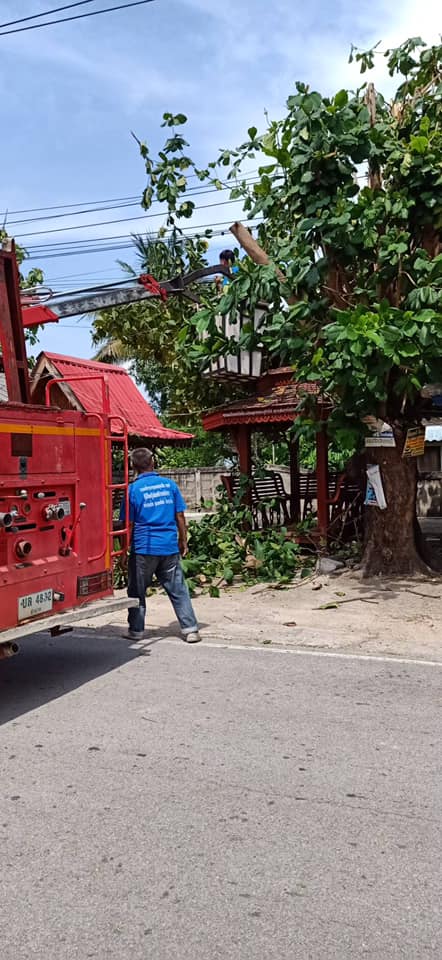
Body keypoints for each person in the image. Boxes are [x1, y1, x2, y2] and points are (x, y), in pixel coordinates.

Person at [120, 447, 200, 643]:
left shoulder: (132, 490)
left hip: (143, 549)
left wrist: (123, 551)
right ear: (153, 462)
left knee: (137, 591)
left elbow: (128, 524)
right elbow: (180, 516)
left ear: (133, 466)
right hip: (168, 546)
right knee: (178, 590)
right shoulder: (169, 485)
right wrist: (183, 540)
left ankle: (136, 631)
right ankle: (190, 630)